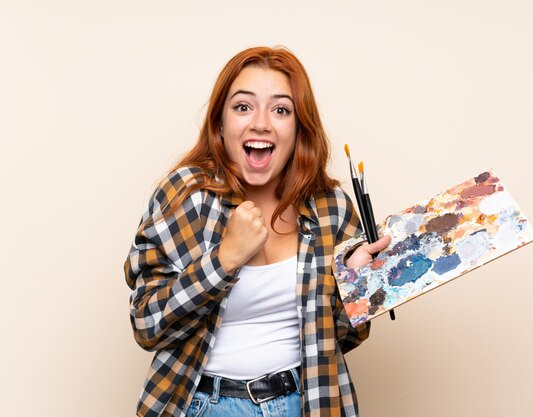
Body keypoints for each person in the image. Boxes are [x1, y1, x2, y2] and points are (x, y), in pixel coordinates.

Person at [124, 46, 391, 417]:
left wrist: (356, 283)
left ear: (299, 127)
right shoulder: (187, 196)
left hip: (309, 400)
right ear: (220, 123)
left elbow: (345, 336)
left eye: (281, 109)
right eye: (243, 107)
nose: (261, 123)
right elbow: (147, 325)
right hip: (208, 405)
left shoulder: (331, 205)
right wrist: (224, 259)